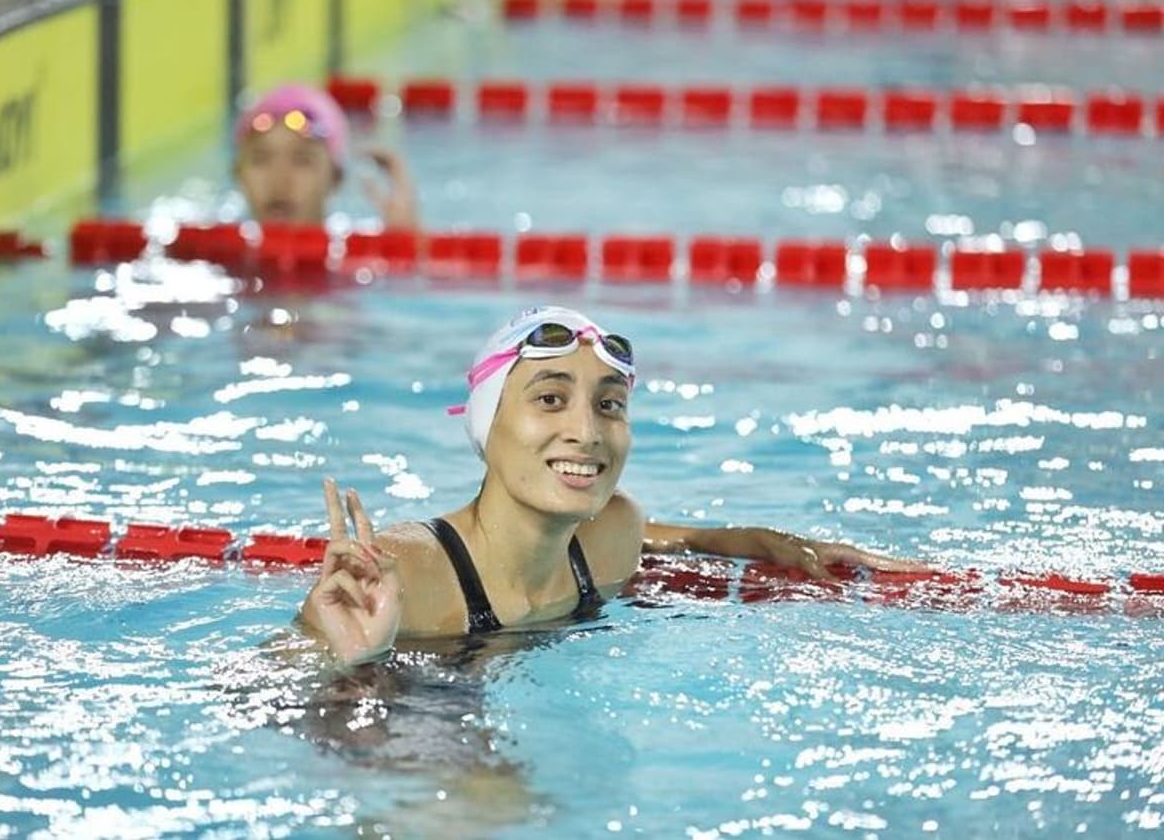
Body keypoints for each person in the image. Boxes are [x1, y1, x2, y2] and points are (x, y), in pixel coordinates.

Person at [300, 306, 927, 664]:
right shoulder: (404, 573)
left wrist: (764, 542)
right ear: (487, 426)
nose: (586, 433)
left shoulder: (613, 536)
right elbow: (271, 691)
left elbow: (666, 538)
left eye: (608, 406)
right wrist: (354, 667)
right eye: (550, 399)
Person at [233, 83, 419, 229]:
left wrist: (403, 239)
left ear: (335, 177)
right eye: (260, 159)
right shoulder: (217, 256)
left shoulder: (358, 259)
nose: (279, 181)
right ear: (239, 173)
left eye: (302, 160)